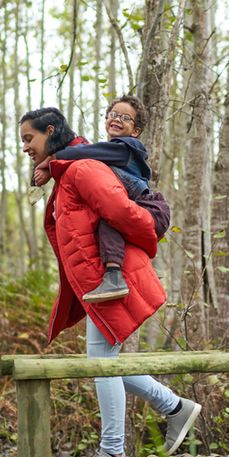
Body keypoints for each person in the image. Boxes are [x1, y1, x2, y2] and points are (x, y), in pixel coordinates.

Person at [20, 106, 201, 457]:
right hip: (101, 285)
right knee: (104, 360)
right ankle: (175, 407)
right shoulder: (72, 168)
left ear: (50, 132)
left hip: (112, 282)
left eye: (28, 139)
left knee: (102, 363)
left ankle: (113, 452)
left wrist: (148, 235)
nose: (24, 147)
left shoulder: (83, 168)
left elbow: (123, 212)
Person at [33, 95, 164, 303]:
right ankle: (122, 278)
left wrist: (52, 160)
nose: (118, 119)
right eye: (113, 114)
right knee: (109, 222)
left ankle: (114, 276)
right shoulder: (111, 152)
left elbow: (86, 152)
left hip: (150, 207)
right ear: (105, 119)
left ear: (136, 131)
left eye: (126, 118)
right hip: (141, 205)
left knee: (109, 219)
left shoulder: (125, 147)